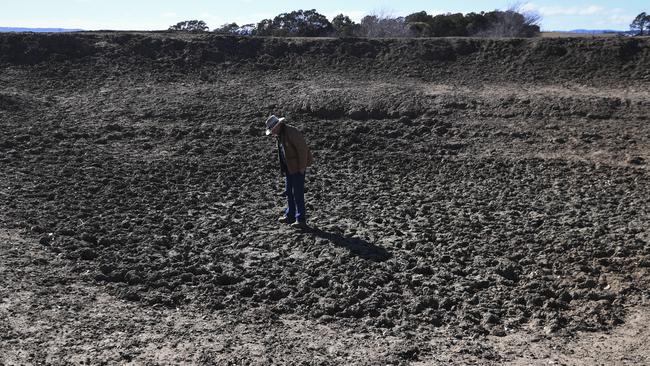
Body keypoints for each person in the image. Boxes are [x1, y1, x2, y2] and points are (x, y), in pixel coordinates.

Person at [265, 115, 313, 228]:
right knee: (289, 192)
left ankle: (301, 219)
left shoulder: (292, 132)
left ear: (278, 126)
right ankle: (290, 215)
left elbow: (303, 150)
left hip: (297, 167)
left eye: (272, 130)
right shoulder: (280, 134)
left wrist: (302, 167)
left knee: (297, 193)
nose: (272, 133)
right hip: (289, 168)